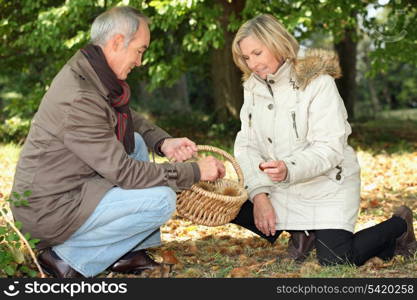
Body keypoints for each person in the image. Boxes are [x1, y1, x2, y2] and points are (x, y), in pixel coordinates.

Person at [10, 6, 225, 278]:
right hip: (49, 210)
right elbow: (124, 173)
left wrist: (163, 143)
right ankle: (66, 259)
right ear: (116, 42)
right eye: (140, 50)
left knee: (133, 140)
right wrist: (194, 172)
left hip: (69, 187)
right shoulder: (81, 96)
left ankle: (128, 253)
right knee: (161, 200)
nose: (140, 61)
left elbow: (125, 117)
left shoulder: (92, 73)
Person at [230, 14, 416, 266]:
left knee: (337, 260)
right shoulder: (253, 87)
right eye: (246, 57)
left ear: (277, 43)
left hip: (326, 184)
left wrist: (288, 169)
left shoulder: (318, 82)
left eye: (257, 53)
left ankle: (399, 225)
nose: (252, 64)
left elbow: (329, 148)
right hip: (277, 186)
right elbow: (247, 146)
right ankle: (302, 232)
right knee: (228, 202)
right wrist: (259, 195)